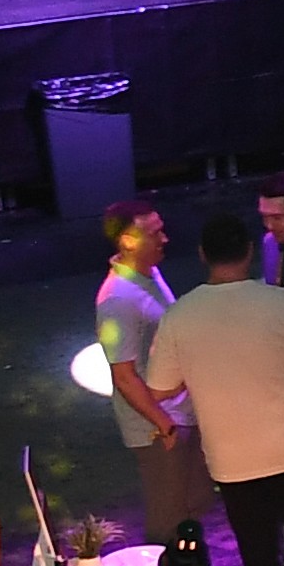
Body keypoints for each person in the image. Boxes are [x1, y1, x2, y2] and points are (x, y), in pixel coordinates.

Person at [152, 209, 284, 566]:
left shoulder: (180, 316)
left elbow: (160, 387)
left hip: (233, 460)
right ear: (249, 251)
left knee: (259, 559)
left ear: (202, 254)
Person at [93, 201, 204, 546]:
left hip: (177, 416)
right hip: (158, 429)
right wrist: (164, 424)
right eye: (154, 233)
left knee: (192, 502)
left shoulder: (149, 274)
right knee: (169, 516)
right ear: (128, 241)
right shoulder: (117, 300)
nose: (164, 239)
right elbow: (124, 375)